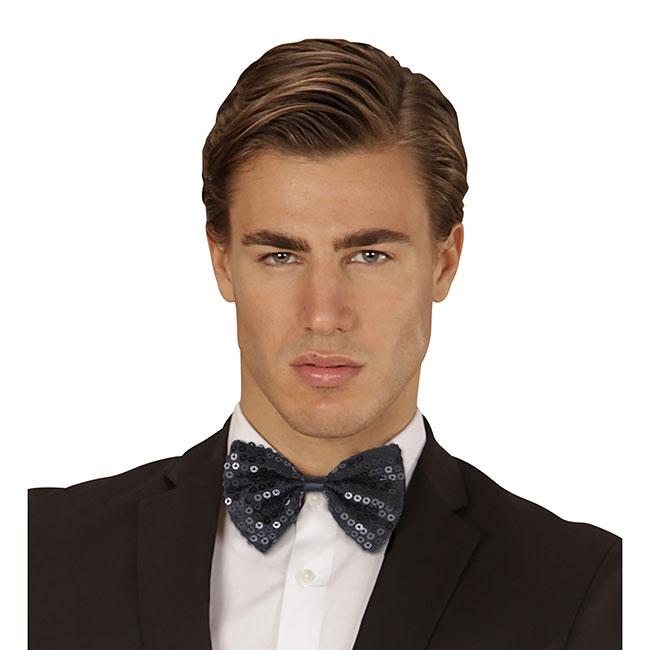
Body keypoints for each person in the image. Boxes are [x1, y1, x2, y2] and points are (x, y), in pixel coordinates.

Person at [28, 38, 622, 650]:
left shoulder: (586, 587)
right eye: (280, 255)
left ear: (444, 263)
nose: (323, 314)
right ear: (223, 263)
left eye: (370, 255)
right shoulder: (36, 552)